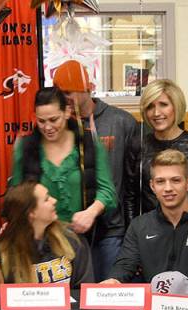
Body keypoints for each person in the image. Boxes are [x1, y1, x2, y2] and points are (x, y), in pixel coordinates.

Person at [52, 60, 140, 281]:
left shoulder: (121, 122)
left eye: (69, 92)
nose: (65, 99)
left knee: (107, 296)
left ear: (88, 88)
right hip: (67, 232)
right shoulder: (56, 126)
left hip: (111, 229)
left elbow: (133, 181)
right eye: (60, 93)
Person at [101, 149, 188, 296]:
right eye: (160, 181)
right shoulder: (139, 226)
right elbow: (125, 265)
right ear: (152, 186)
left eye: (176, 180)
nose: (168, 188)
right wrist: (114, 280)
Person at [9, 86, 117, 245]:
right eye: (41, 121)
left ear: (67, 112)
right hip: (42, 239)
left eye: (54, 120)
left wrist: (91, 212)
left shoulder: (89, 144)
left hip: (86, 237)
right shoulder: (25, 148)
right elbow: (16, 197)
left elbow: (108, 191)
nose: (47, 127)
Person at [130, 79, 188, 218]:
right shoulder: (137, 145)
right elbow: (130, 196)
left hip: (187, 226)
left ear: (176, 106)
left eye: (163, 105)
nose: (156, 113)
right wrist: (133, 232)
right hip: (148, 229)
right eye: (150, 106)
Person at [0, 181, 94, 287]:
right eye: (46, 199)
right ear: (31, 213)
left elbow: (83, 291)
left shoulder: (72, 239)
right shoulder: (3, 253)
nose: (54, 200)